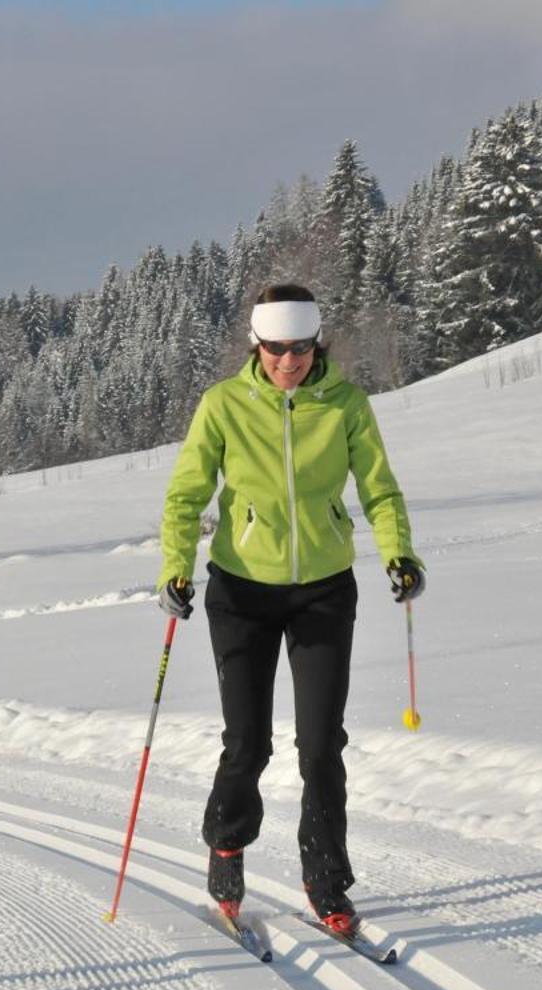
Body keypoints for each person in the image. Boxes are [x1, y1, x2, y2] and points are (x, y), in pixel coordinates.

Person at [155, 283, 424, 935]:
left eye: (300, 348)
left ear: (316, 344)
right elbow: (186, 495)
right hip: (241, 591)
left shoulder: (346, 405)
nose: (287, 361)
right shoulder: (224, 405)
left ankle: (326, 878)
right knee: (248, 743)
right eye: (275, 348)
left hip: (324, 591)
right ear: (258, 344)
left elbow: (380, 490)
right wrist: (175, 569)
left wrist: (398, 554)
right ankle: (226, 842)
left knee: (321, 746)